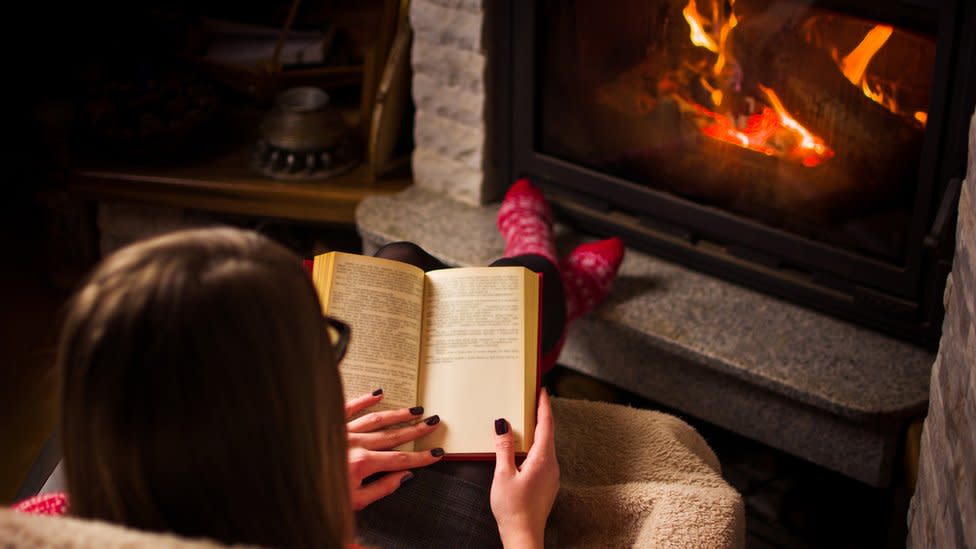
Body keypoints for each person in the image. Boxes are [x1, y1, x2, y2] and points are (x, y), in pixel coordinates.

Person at [13, 178, 624, 549]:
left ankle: (543, 279)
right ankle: (546, 278)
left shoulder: (48, 520)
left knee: (401, 258)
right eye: (322, 345)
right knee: (527, 287)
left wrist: (285, 484)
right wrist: (523, 528)